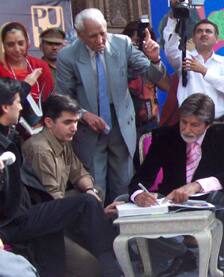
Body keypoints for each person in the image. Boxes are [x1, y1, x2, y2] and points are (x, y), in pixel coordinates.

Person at [0, 78, 123, 277]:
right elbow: (52, 197)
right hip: (15, 222)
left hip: (31, 212)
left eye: (76, 122)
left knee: (92, 196)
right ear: (5, 107)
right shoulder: (38, 148)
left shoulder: (14, 135)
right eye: (17, 102)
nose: (21, 106)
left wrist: (91, 193)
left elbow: (79, 173)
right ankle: (114, 269)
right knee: (87, 211)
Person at [129, 93, 224, 276]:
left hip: (210, 200)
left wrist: (196, 186)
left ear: (207, 125)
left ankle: (216, 258)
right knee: (125, 202)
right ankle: (183, 254)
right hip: (173, 200)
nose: (187, 129)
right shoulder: (165, 136)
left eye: (195, 125)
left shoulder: (223, 134)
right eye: (183, 122)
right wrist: (138, 195)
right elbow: (141, 178)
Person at [56, 8, 166, 203]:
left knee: (123, 180)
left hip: (121, 122)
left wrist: (154, 59)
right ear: (80, 35)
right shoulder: (67, 56)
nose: (100, 40)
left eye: (102, 33)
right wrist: (83, 115)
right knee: (95, 182)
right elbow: (64, 96)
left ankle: (122, 229)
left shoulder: (122, 44)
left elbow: (152, 75)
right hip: (90, 125)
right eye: (93, 36)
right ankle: (98, 227)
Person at [163, 0, 224, 121]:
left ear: (217, 39)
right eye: (199, 31)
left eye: (208, 31)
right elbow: (170, 48)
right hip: (189, 124)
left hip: (217, 124)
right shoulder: (184, 57)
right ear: (194, 38)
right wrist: (173, 15)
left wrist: (204, 71)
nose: (203, 34)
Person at [0, 22, 53, 103]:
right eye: (10, 45)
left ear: (28, 43)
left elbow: (48, 99)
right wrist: (26, 85)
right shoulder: (1, 68)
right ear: (3, 46)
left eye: (21, 43)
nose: (17, 49)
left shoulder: (40, 66)